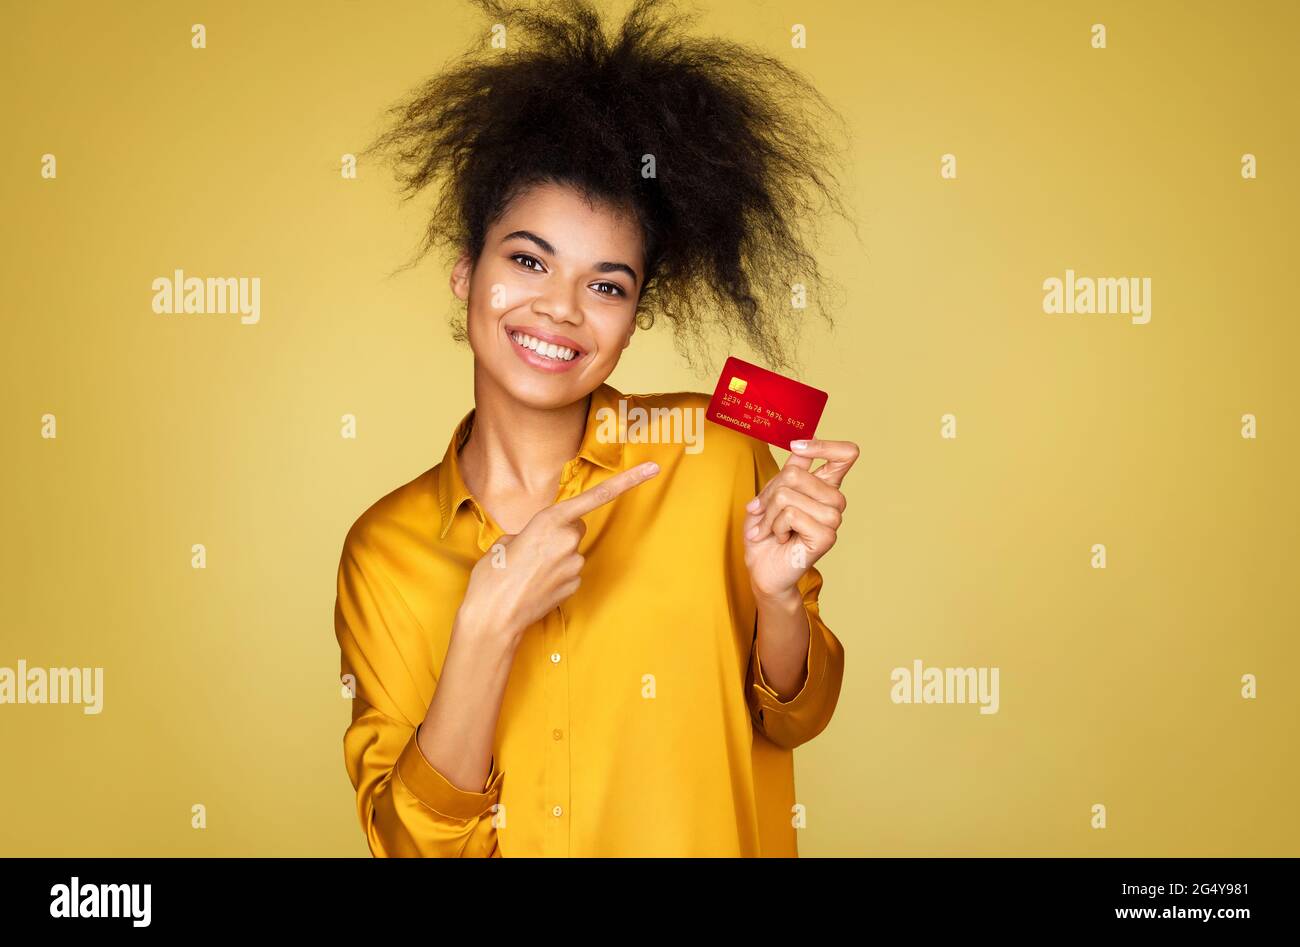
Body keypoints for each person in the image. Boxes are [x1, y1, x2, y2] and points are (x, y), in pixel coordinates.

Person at [334, 0, 859, 856]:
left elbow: (798, 714)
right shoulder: (383, 550)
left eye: (606, 285)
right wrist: (484, 629)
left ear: (634, 315)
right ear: (467, 273)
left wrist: (775, 598)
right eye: (528, 260)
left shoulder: (719, 454)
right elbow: (413, 845)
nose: (560, 310)